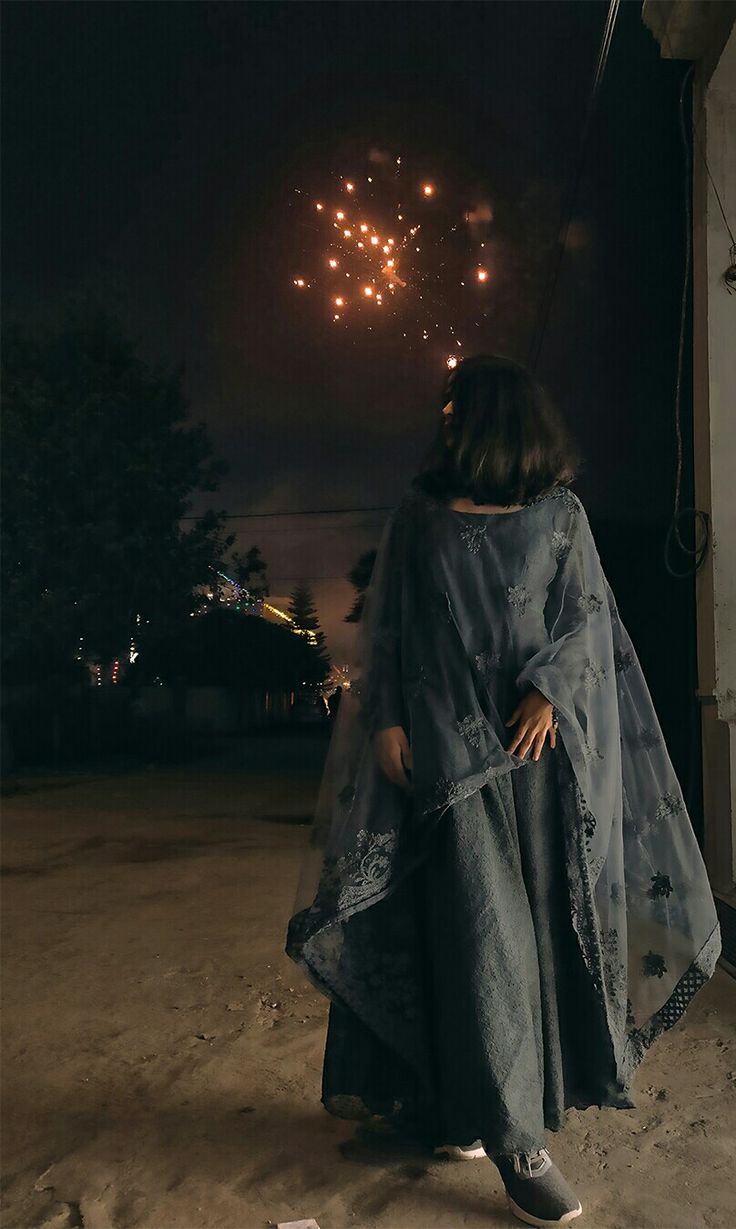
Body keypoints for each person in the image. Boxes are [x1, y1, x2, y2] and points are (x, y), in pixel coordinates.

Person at [285, 355, 721, 1227]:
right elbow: (397, 626)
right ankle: (519, 1145)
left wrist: (551, 687)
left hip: (537, 764)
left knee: (533, 946)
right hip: (446, 758)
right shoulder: (419, 516)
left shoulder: (560, 516)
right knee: (482, 942)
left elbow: (587, 616)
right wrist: (388, 720)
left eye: (456, 408)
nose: (443, 421)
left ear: (496, 417)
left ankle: (472, 1111)